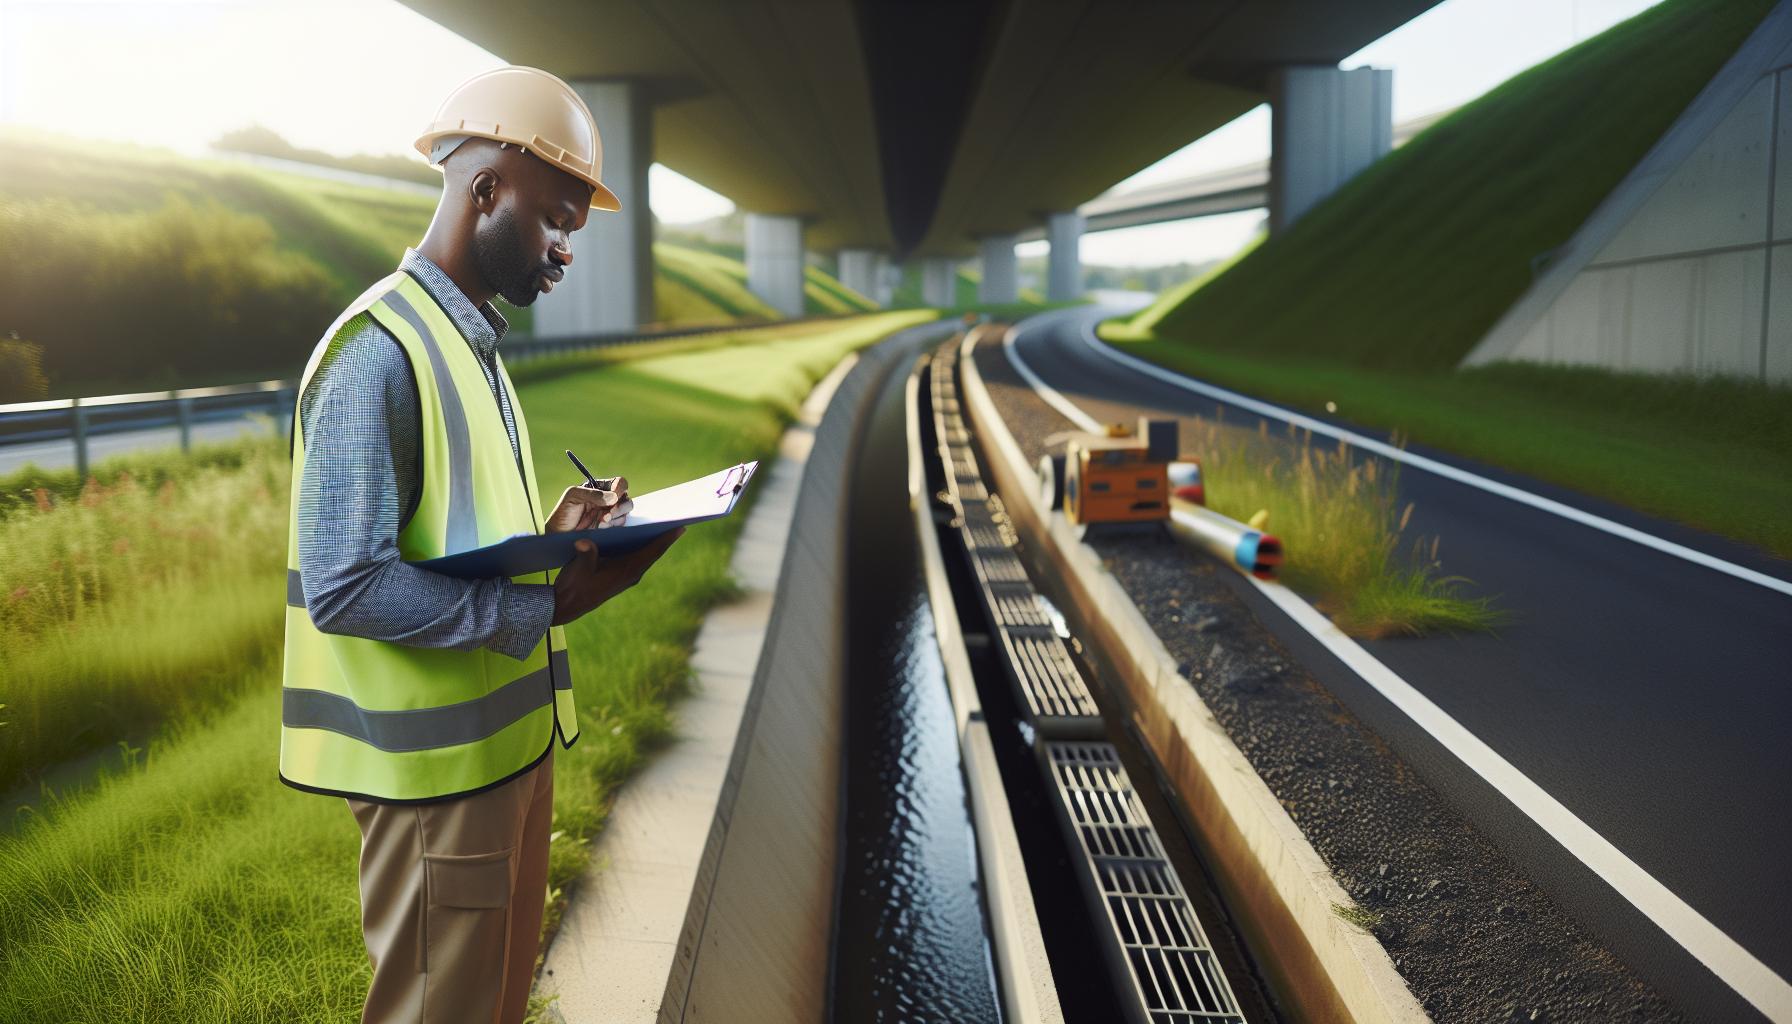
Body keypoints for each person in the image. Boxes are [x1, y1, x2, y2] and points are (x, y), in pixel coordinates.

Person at [277, 65, 680, 1024]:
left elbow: (452, 536)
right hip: (435, 788)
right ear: (486, 188)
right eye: (557, 222)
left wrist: (555, 541)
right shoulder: (376, 352)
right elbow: (344, 582)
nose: (565, 250)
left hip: (507, 757)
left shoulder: (471, 345)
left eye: (574, 231)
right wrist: (543, 604)